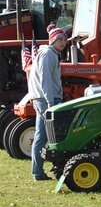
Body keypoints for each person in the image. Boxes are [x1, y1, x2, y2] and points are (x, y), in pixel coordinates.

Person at [29, 26, 66, 181]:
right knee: (45, 137)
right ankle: (38, 172)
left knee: (43, 136)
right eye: (60, 39)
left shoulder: (51, 54)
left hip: (45, 99)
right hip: (46, 100)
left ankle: (39, 172)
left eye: (64, 39)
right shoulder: (48, 54)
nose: (63, 42)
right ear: (52, 40)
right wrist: (51, 101)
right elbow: (46, 80)